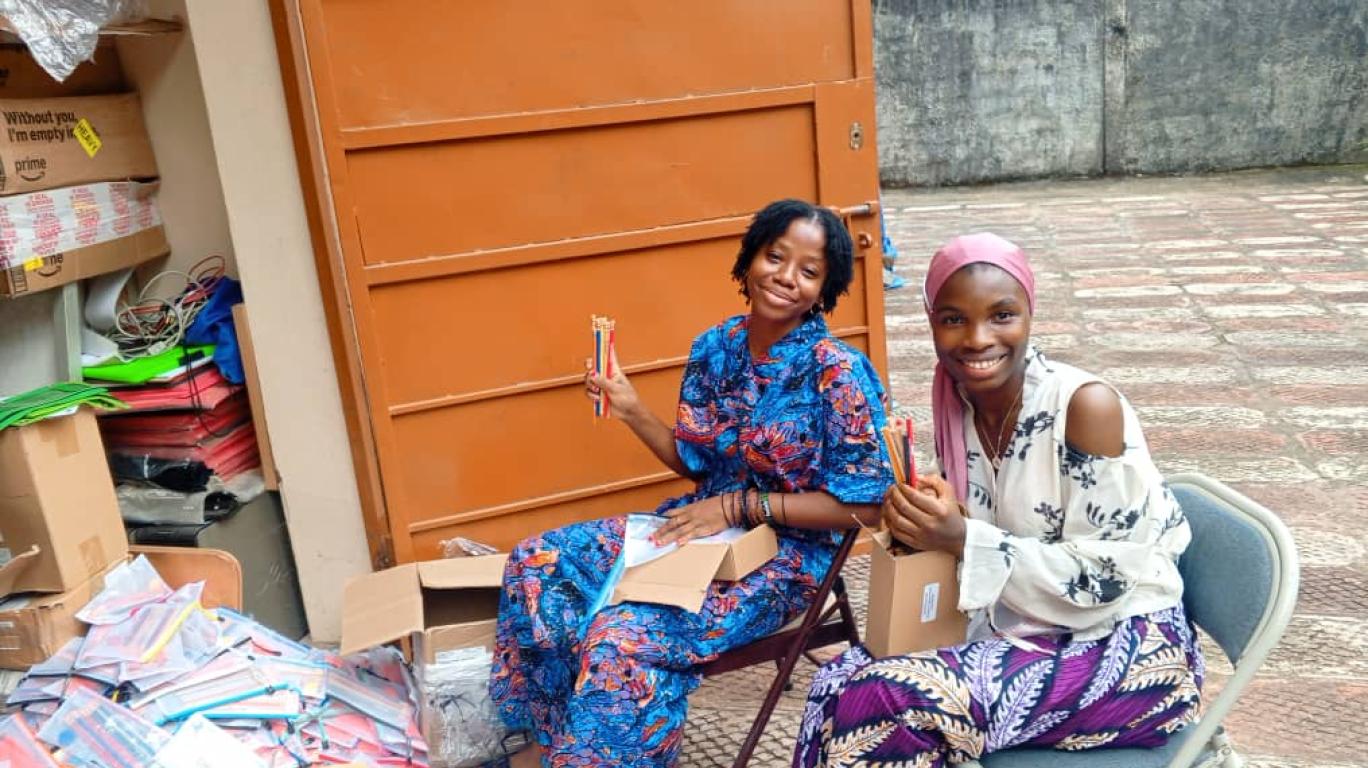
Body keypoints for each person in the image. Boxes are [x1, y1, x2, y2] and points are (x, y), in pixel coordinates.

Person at [490, 199, 896, 767]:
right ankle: (556, 739)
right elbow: (696, 462)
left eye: (808, 271)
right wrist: (631, 408)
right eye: (774, 256)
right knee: (538, 561)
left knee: (625, 633)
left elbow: (868, 509)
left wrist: (738, 506)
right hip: (700, 527)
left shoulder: (838, 372)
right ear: (749, 259)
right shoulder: (716, 348)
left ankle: (607, 755)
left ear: (825, 288)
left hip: (789, 558)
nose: (785, 278)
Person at [794, 233, 1203, 767]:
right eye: (953, 318)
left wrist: (963, 537)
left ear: (1030, 314)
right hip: (1028, 624)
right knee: (835, 680)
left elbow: (1106, 577)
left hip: (1131, 647)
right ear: (932, 322)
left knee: (887, 699)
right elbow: (999, 528)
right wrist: (943, 518)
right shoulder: (959, 405)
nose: (978, 338)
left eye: (1002, 315)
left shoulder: (1085, 407)